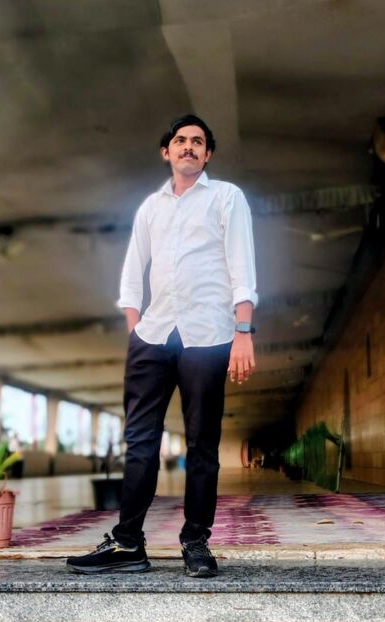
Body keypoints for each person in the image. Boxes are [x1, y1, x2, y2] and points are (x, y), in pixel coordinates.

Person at [67, 114, 257, 577]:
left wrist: (243, 330)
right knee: (139, 442)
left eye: (198, 141)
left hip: (208, 335)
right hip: (153, 335)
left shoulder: (226, 197)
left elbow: (242, 264)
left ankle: (196, 542)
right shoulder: (151, 207)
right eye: (180, 140)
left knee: (202, 444)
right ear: (166, 151)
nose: (189, 146)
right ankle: (128, 543)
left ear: (207, 154)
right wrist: (136, 326)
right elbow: (134, 270)